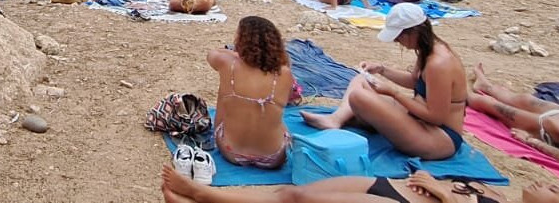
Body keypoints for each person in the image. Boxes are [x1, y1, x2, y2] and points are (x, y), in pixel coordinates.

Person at [303, 3, 467, 161]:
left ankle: (351, 117)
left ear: (412, 33)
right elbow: (414, 81)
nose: (397, 42)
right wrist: (381, 69)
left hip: (440, 136)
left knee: (359, 97)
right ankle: (336, 119)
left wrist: (393, 93)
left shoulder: (438, 63)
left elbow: (436, 117)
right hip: (419, 119)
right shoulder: (428, 49)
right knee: (361, 80)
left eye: (398, 37)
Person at [157, 166, 550, 203]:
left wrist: (446, 194)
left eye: (552, 190)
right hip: (398, 188)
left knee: (297, 200)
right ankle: (206, 195)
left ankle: (202, 194)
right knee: (293, 193)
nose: (544, 182)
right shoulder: (502, 194)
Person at [207, 16, 293, 169]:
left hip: (232, 152)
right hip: (273, 157)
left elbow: (212, 54)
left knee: (226, 90)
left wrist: (234, 54)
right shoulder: (284, 74)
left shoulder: (227, 64)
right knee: (276, 116)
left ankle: (223, 133)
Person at [469, 63, 559, 161]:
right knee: (524, 99)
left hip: (550, 129)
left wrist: (533, 141)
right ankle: (486, 86)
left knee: (495, 107)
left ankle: (462, 93)